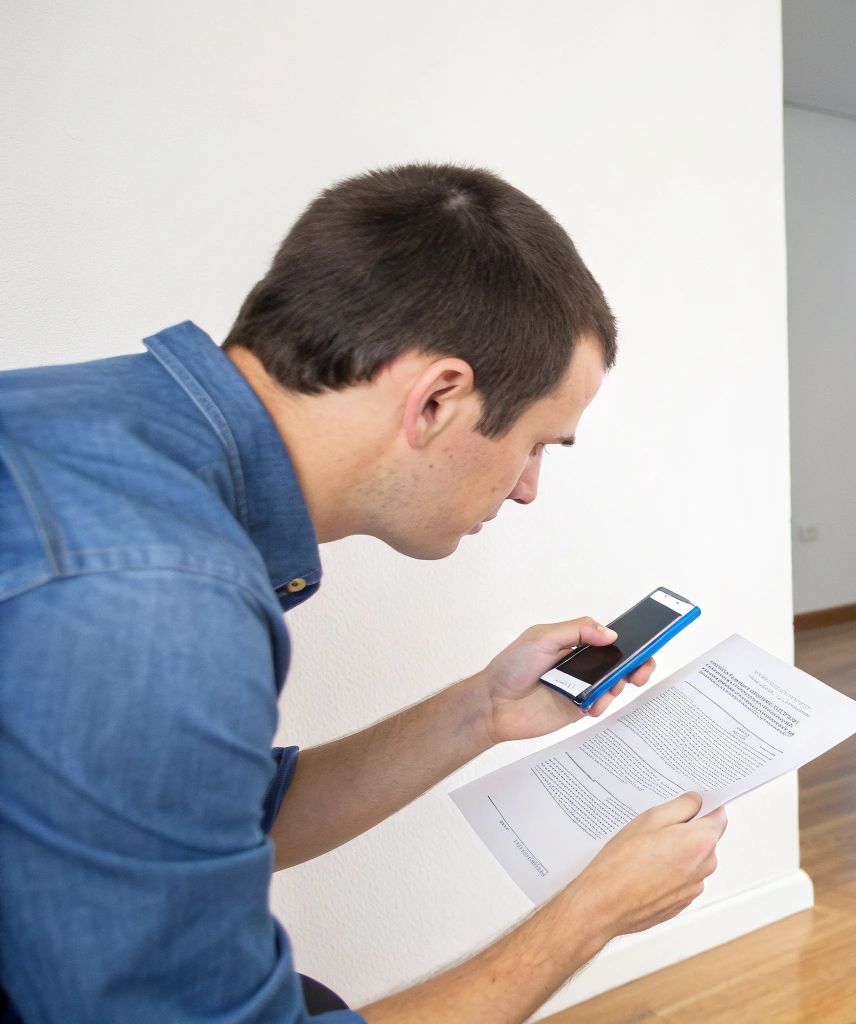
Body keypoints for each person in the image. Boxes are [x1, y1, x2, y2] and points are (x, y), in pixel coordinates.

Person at [0, 164, 728, 1023]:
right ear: (438, 400)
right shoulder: (156, 600)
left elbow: (213, 820)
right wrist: (594, 910)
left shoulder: (74, 418)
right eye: (538, 444)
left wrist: (479, 712)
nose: (528, 488)